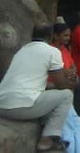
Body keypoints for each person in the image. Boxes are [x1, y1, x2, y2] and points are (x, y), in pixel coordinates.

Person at [0, 24, 75, 152]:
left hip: (2, 105)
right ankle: (47, 139)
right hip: (21, 107)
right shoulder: (52, 51)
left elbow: (38, 84)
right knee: (67, 95)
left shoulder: (22, 50)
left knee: (48, 97)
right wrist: (73, 81)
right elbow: (61, 85)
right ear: (51, 36)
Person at [49, 23, 80, 153]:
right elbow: (57, 71)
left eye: (69, 35)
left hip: (67, 91)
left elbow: (73, 66)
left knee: (77, 123)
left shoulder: (65, 49)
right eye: (65, 35)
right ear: (55, 36)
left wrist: (72, 72)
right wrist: (68, 72)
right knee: (68, 126)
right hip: (56, 93)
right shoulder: (51, 50)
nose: (68, 38)